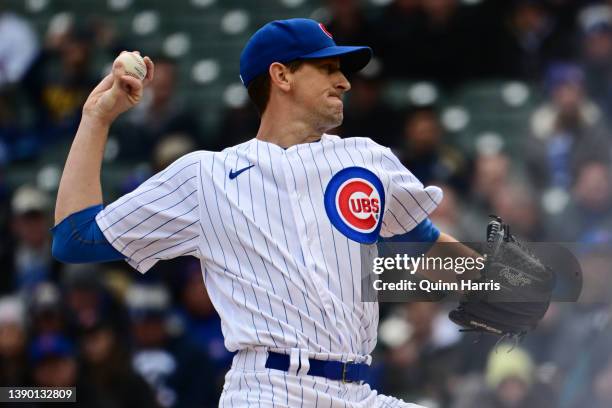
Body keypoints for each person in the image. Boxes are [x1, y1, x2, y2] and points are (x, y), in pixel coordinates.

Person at [51, 18, 480, 407]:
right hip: (269, 390)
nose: (345, 82)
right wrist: (95, 118)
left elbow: (425, 243)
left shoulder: (368, 159)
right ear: (282, 75)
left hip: (358, 391)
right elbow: (74, 239)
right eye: (328, 68)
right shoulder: (207, 176)